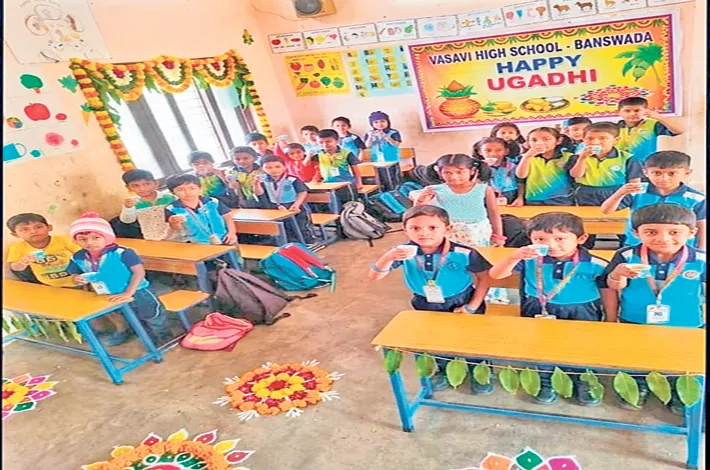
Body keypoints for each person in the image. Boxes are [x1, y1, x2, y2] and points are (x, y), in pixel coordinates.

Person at [489, 212, 617, 406]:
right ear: (530, 239)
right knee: (539, 344)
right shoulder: (530, 259)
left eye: (560, 239)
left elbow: (608, 291)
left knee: (582, 346)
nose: (550, 245)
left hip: (582, 311)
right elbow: (496, 275)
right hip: (538, 308)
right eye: (540, 239)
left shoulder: (596, 264)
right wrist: (513, 256)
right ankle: (546, 378)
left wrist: (611, 318)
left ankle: (583, 378)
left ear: (581, 238)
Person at [369, 205, 492, 392]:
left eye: (432, 227)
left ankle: (480, 372)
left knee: (471, 339)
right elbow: (375, 276)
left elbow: (485, 278)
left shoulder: (464, 253)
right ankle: (445, 369)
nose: (423, 233)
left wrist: (472, 306)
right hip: (424, 302)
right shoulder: (403, 252)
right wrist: (387, 258)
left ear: (447, 229)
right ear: (405, 230)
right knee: (436, 339)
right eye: (415, 228)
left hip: (462, 300)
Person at [602, 204, 705, 413]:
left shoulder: (700, 259)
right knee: (636, 355)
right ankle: (638, 385)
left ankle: (678, 387)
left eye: (674, 232)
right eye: (651, 232)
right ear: (636, 233)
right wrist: (618, 273)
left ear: (692, 233)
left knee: (680, 357)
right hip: (636, 318)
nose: (663, 238)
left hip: (686, 322)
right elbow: (613, 286)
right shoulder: (626, 255)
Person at [410, 154, 507, 303]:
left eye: (460, 172)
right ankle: (457, 292)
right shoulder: (435, 190)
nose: (453, 176)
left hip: (477, 235)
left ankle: (482, 295)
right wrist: (420, 200)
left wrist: (498, 236)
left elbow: (494, 213)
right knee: (452, 265)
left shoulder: (483, 189)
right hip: (449, 234)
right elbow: (419, 213)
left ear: (472, 171)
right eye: (447, 172)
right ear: (439, 172)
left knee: (479, 265)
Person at [67, 212, 172, 345]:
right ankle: (142, 336)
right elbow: (74, 273)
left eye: (96, 238)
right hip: (108, 293)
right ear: (75, 240)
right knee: (127, 316)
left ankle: (164, 338)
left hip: (138, 291)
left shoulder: (123, 252)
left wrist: (128, 292)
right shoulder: (78, 257)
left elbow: (139, 273)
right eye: (82, 239)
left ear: (107, 237)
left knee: (152, 316)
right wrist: (76, 278)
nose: (89, 243)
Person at [600, 151, 705, 249]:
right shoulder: (636, 191)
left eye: (672, 173)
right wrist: (620, 193)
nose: (663, 178)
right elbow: (606, 210)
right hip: (636, 245)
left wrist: (702, 250)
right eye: (656, 173)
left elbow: (702, 226)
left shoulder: (696, 198)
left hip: (678, 247)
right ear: (646, 173)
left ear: (687, 173)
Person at [569, 122, 643, 206]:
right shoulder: (577, 157)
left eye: (603, 138)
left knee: (616, 213)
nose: (595, 142)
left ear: (616, 140)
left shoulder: (627, 158)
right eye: (590, 138)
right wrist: (582, 158)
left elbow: (634, 183)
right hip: (586, 193)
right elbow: (576, 175)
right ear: (583, 139)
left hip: (617, 193)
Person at [254, 155, 315, 244]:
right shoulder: (264, 180)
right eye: (268, 167)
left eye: (277, 166)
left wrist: (296, 204)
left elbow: (302, 192)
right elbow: (260, 193)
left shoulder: (292, 179)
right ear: (262, 169)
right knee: (284, 227)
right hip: (276, 207)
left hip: (295, 206)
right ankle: (289, 244)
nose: (274, 170)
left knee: (301, 226)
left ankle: (308, 243)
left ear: (284, 167)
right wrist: (256, 184)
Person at [164, 174, 238, 245]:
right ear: (172, 192)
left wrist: (232, 233)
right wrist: (175, 222)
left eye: (192, 188)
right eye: (180, 190)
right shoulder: (171, 208)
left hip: (225, 239)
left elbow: (227, 216)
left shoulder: (212, 202)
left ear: (200, 188)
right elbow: (176, 229)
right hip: (196, 244)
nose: (188, 192)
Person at [516, 127, 575, 206]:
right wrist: (527, 157)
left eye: (546, 139)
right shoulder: (526, 157)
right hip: (534, 199)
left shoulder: (568, 157)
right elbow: (521, 176)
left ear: (558, 141)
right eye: (534, 140)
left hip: (562, 198)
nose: (539, 143)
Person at [616, 97, 684, 163]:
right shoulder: (614, 128)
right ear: (619, 113)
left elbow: (679, 130)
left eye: (637, 110)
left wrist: (659, 117)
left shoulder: (653, 125)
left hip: (646, 164)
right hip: (620, 165)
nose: (632, 114)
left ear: (646, 111)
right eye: (627, 111)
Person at [119, 169, 180, 241]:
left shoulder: (170, 197)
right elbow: (127, 221)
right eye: (135, 186)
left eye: (147, 184)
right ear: (128, 187)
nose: (142, 188)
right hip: (151, 239)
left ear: (156, 183)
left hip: (177, 237)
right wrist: (128, 208)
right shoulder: (132, 202)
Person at [472, 137, 524, 207]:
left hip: (511, 196)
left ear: (506, 151)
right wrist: (482, 169)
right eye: (488, 150)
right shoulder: (475, 167)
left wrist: (520, 197)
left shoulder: (513, 166)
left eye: (499, 150)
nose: (493, 154)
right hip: (486, 196)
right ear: (480, 152)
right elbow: (473, 185)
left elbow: (520, 182)